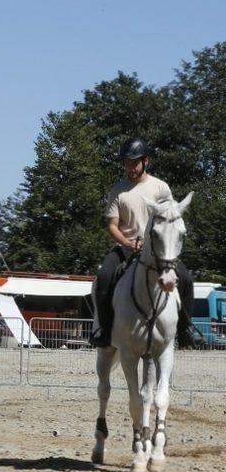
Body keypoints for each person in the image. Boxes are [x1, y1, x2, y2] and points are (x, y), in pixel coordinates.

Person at [91, 136, 194, 348]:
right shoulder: (117, 190)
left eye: (134, 163)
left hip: (158, 251)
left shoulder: (161, 187)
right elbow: (112, 225)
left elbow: (171, 217)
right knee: (103, 277)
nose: (130, 168)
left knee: (186, 279)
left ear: (146, 161)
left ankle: (185, 330)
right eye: (127, 163)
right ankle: (104, 329)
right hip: (126, 248)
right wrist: (128, 244)